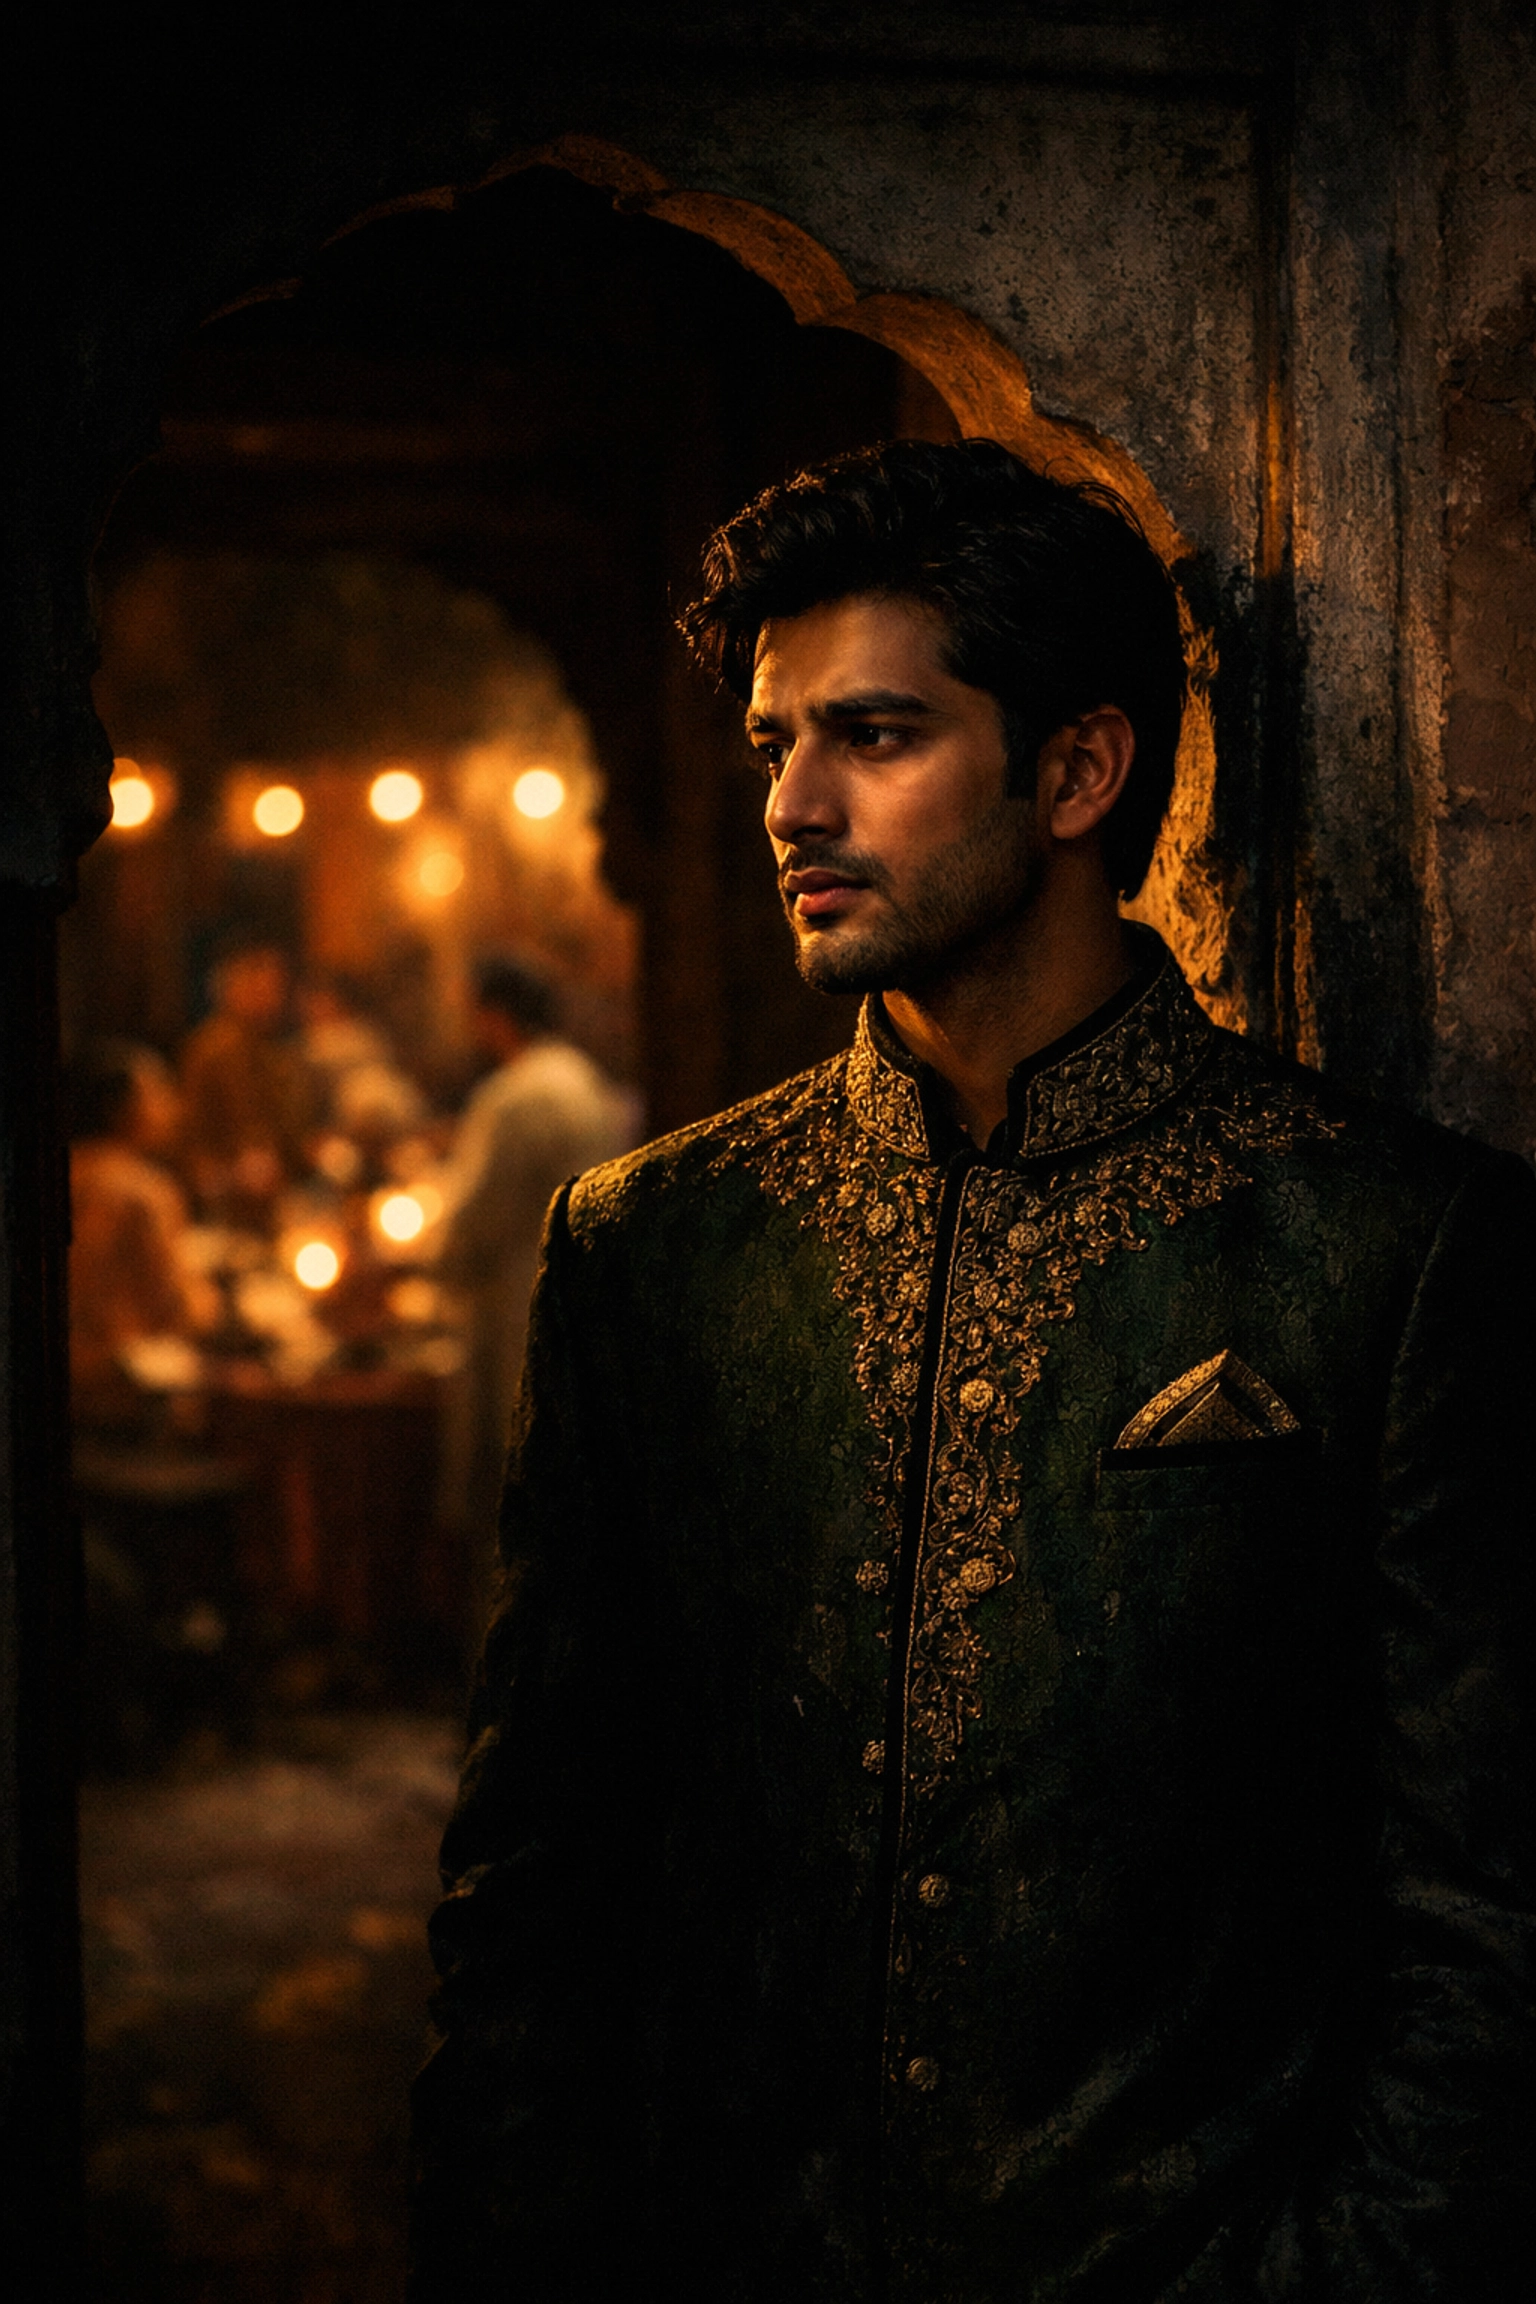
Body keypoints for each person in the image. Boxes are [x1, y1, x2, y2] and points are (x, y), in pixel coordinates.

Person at [411, 443, 1534, 2299]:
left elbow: (1486, 1913)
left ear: (1077, 772)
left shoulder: (1390, 1245)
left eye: (873, 735)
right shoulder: (652, 1245)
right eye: (775, 742)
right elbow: (536, 1876)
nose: (795, 805)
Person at [430, 953, 628, 1638]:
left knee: (510, 1514)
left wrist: (429, 1261)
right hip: (580, 1312)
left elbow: (469, 1227)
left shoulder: (515, 1097)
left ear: (492, 1016)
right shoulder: (583, 1081)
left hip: (514, 1317)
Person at [69, 1039, 219, 1418]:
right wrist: (211, 1299)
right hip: (119, 1391)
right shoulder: (142, 1191)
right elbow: (176, 1307)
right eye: (158, 1093)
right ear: (119, 1108)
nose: (173, 1107)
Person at [179, 937, 313, 1225]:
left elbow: (289, 1129)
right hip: (228, 1205)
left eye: (276, 985)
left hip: (280, 1197)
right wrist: (227, 1174)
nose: (270, 994)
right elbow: (192, 1137)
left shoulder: (277, 1051)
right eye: (259, 983)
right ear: (231, 987)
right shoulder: (210, 1050)